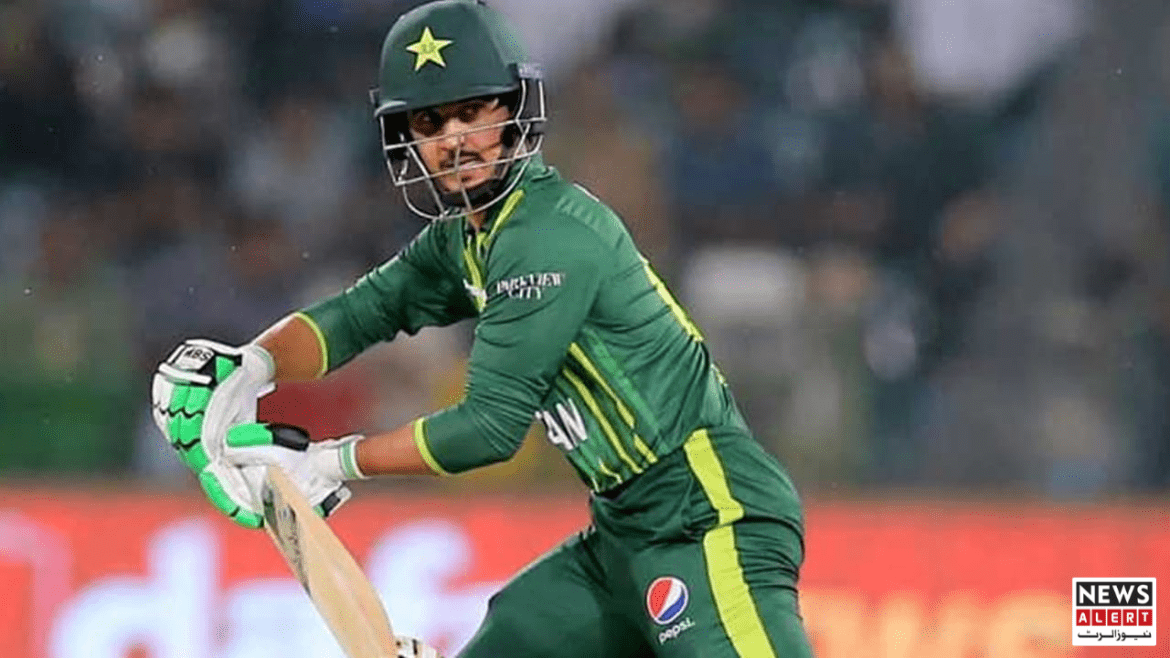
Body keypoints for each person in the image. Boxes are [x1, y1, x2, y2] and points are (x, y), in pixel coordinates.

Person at [150, 1, 813, 656]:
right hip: (621, 532)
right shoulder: (465, 241)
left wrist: (332, 460)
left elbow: (489, 429)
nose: (454, 140)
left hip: (710, 515)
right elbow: (355, 316)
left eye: (473, 111)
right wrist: (249, 365)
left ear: (513, 110)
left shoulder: (545, 237)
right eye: (430, 121)